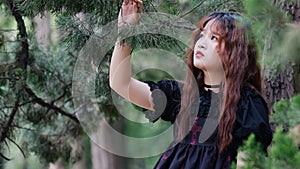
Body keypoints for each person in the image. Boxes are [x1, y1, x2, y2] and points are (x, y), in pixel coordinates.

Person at [109, 0, 273, 168]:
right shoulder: (182, 95)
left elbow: (249, 161)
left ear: (235, 51)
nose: (201, 42)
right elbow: (121, 84)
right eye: (201, 34)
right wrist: (126, 32)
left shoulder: (246, 103)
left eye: (214, 37)